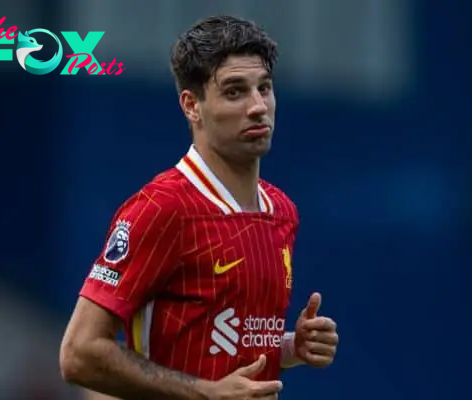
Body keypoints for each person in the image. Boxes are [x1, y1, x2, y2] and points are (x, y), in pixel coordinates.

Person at [60, 15, 339, 400]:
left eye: (265, 88)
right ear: (192, 106)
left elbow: (222, 340)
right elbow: (79, 353)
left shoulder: (282, 210)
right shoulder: (162, 208)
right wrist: (204, 393)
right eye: (235, 92)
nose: (258, 106)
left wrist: (292, 347)